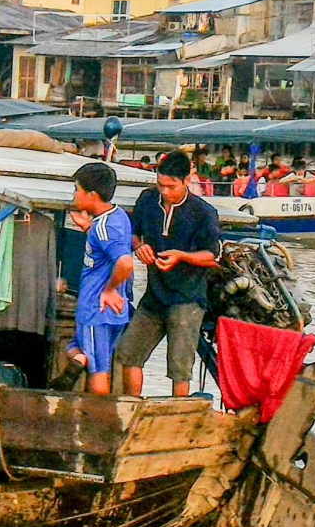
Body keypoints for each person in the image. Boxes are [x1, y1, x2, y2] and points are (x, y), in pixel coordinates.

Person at [113, 150, 221, 397]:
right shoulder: (147, 200)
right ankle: (131, 405)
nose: (165, 192)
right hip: (154, 296)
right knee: (128, 353)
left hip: (187, 298)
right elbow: (133, 233)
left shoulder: (203, 213)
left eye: (171, 186)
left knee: (179, 367)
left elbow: (212, 255)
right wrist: (139, 246)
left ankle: (178, 415)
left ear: (186, 180)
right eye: (160, 185)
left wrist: (181, 256)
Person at [67, 163, 133, 395]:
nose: (74, 195)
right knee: (79, 351)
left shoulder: (103, 228)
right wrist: (88, 228)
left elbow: (125, 262)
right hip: (113, 312)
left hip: (97, 309)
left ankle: (99, 420)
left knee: (98, 369)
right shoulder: (118, 217)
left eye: (77, 189)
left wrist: (109, 290)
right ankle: (79, 361)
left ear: (92, 194)